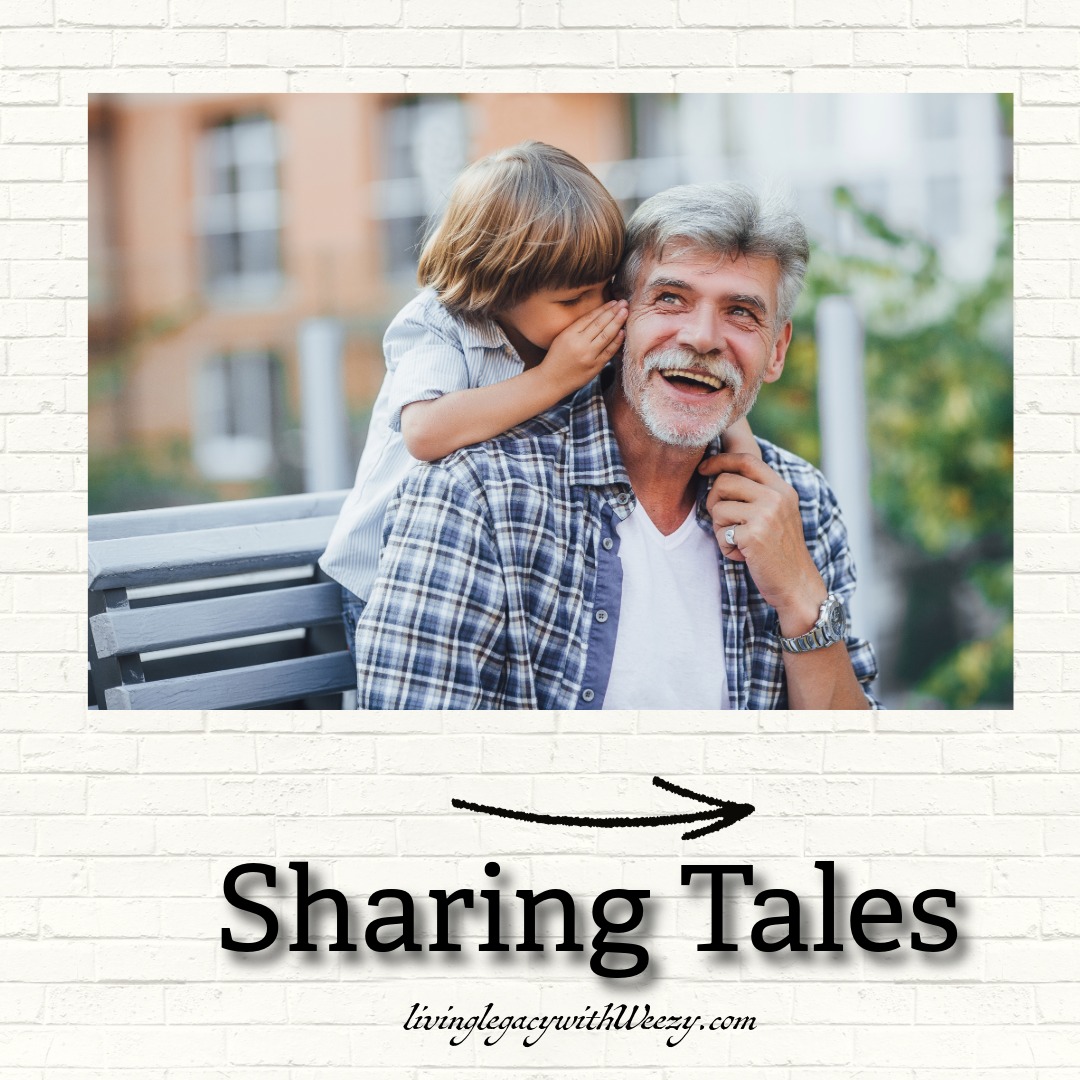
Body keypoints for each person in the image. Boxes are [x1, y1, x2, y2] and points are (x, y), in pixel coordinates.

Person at [353, 182, 878, 710]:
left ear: (776, 350)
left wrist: (802, 598)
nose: (701, 337)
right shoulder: (478, 493)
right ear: (615, 317)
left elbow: (851, 775)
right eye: (670, 299)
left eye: (741, 311)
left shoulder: (801, 505)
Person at [320, 142, 758, 659]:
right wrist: (554, 378)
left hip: (495, 558)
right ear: (497, 286)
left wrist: (743, 454)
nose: (595, 311)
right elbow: (425, 432)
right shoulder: (437, 326)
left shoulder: (571, 327)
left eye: (603, 288)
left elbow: (672, 380)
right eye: (572, 300)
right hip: (388, 570)